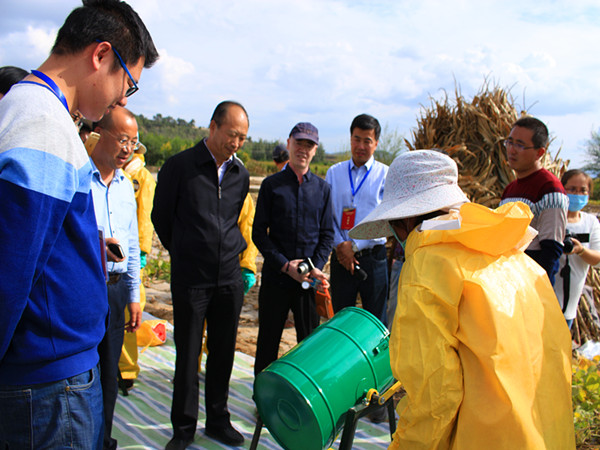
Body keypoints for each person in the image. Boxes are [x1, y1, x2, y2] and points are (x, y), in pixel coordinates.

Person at [0, 1, 157, 448]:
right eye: (128, 83)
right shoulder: (43, 124)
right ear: (101, 55)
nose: (123, 99)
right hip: (47, 384)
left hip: (51, 375)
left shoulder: (38, 113)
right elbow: (10, 272)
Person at [349, 150, 575, 449]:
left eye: (393, 224)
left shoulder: (428, 266)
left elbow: (434, 395)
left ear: (405, 218)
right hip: (546, 433)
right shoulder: (510, 252)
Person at [152, 101, 250, 449]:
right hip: (191, 280)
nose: (236, 143)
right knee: (188, 354)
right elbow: (161, 218)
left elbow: (235, 220)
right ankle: (183, 429)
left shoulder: (240, 174)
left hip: (228, 279)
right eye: (231, 134)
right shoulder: (180, 167)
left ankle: (218, 420)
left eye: (242, 138)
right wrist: (183, 252)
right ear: (213, 127)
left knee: (223, 353)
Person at [252, 122, 334, 377]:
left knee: (309, 344)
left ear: (315, 150)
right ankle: (262, 401)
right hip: (277, 278)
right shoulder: (271, 186)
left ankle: (305, 402)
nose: (303, 149)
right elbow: (258, 234)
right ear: (289, 144)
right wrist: (285, 265)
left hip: (307, 283)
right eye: (299, 143)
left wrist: (314, 268)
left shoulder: (323, 190)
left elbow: (327, 235)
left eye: (309, 145)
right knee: (268, 341)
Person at [90, 105, 142, 449]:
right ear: (100, 134)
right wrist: (96, 241)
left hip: (116, 288)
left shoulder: (126, 186)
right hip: (85, 285)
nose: (127, 149)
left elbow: (134, 244)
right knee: (83, 369)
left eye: (133, 143)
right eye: (122, 139)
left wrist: (135, 294)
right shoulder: (79, 178)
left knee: (110, 370)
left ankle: (103, 438)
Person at [325, 114, 389, 323]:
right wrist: (341, 245)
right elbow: (327, 215)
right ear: (350, 139)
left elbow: (388, 221)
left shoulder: (385, 175)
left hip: (374, 259)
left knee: (375, 322)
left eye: (367, 141)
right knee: (341, 321)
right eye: (356, 139)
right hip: (341, 259)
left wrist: (354, 245)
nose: (361, 145)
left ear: (376, 143)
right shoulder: (334, 173)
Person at [500, 116, 568, 285]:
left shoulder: (550, 189)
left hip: (530, 286)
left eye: (520, 145)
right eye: (510, 142)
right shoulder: (510, 189)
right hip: (508, 280)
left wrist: (539, 291)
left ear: (540, 152)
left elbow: (551, 249)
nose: (512, 150)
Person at [119, 134, 156, 388]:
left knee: (130, 315)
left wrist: (142, 250)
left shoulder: (141, 177)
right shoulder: (112, 168)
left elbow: (145, 216)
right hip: (107, 251)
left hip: (129, 253)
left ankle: (127, 371)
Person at [554, 169, 600, 328]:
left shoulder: (591, 222)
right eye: (572, 189)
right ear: (562, 189)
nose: (577, 194)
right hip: (545, 303)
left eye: (583, 190)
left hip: (570, 309)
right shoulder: (552, 218)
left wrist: (581, 250)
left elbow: (597, 259)